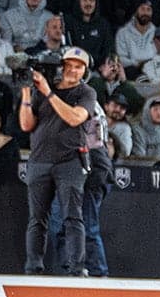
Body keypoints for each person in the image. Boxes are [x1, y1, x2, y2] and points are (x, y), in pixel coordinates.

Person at [18, 46, 100, 276]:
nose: (73, 71)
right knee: (37, 219)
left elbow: (75, 118)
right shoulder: (43, 89)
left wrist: (48, 93)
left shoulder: (86, 93)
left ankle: (76, 268)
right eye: (69, 65)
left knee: (72, 216)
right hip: (39, 160)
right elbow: (26, 125)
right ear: (61, 66)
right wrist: (26, 92)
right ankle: (33, 267)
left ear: (85, 70)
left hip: (70, 161)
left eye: (79, 67)